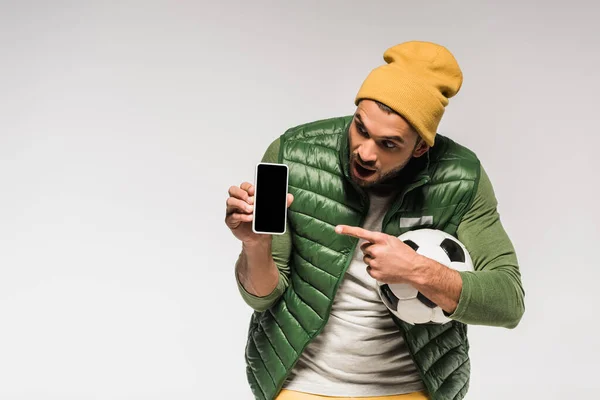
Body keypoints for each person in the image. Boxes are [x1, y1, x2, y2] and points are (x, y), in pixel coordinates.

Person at [225, 41, 525, 400]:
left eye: (389, 144)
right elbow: (262, 298)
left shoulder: (461, 177)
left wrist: (416, 269)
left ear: (420, 148)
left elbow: (509, 303)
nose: (365, 152)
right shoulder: (292, 153)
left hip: (413, 389)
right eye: (361, 129)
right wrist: (254, 245)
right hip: (300, 385)